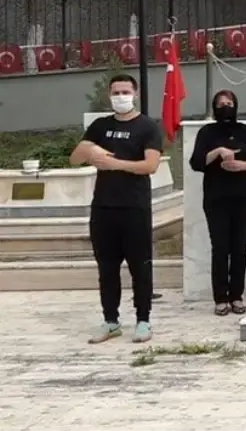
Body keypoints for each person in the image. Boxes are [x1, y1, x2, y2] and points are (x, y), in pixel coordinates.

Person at [69, 74, 163, 344]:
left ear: (134, 93)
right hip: (103, 208)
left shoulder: (147, 127)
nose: (120, 96)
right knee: (107, 268)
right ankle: (111, 320)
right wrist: (90, 150)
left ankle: (143, 320)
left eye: (125, 91)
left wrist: (116, 164)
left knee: (139, 267)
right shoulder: (100, 126)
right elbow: (75, 158)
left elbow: (150, 166)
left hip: (134, 207)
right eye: (115, 92)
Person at [188, 90, 246, 316]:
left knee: (239, 249)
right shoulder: (207, 132)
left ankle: (237, 296)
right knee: (220, 248)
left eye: (229, 103)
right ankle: (220, 298)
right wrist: (218, 152)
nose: (225, 106)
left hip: (243, 198)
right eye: (221, 103)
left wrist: (242, 166)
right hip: (216, 199)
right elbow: (196, 162)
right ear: (214, 106)